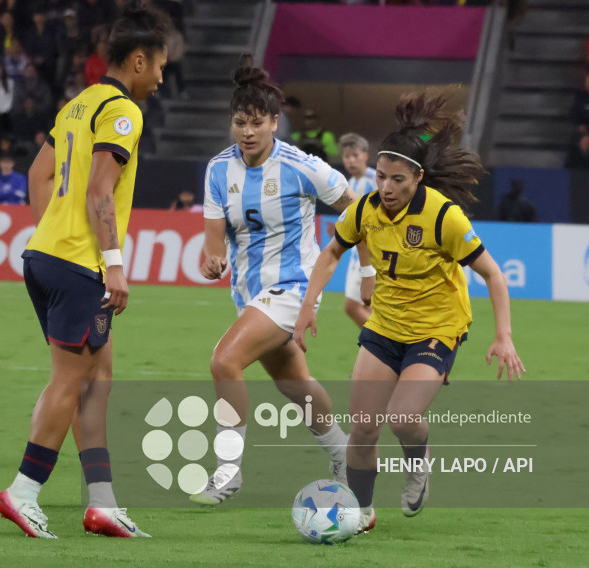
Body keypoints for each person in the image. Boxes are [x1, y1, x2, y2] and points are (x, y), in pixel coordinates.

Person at [294, 90, 525, 534]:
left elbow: (494, 275)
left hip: (437, 328)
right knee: (362, 430)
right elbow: (330, 254)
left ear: (418, 177)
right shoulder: (365, 210)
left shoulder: (444, 218)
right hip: (386, 325)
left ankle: (419, 463)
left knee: (402, 418)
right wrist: (309, 306)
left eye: (397, 179)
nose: (386, 188)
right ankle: (359, 515)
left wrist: (504, 335)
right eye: (381, 177)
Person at [0, 3, 169, 539]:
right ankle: (22, 492)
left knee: (98, 380)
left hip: (46, 255)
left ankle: (102, 503)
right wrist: (112, 265)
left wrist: (54, 234)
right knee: (70, 381)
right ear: (137, 61)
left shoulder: (76, 105)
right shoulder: (123, 112)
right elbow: (98, 191)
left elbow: (37, 173)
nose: (161, 78)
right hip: (79, 266)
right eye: (159, 65)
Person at [190, 54, 359, 506]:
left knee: (223, 361)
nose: (247, 131)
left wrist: (370, 262)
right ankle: (347, 454)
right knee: (294, 383)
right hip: (249, 292)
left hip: (294, 288)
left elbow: (356, 207)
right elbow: (213, 243)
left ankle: (227, 472)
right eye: (240, 122)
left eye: (256, 122)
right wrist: (212, 260)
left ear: (274, 123)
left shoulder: (301, 166)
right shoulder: (218, 170)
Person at [338, 132, 377, 327]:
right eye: (347, 156)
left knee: (352, 307)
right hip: (358, 253)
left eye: (355, 155)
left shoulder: (375, 180)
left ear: (365, 155)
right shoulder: (350, 184)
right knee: (368, 308)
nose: (351, 160)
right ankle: (381, 351)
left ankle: (386, 346)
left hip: (373, 253)